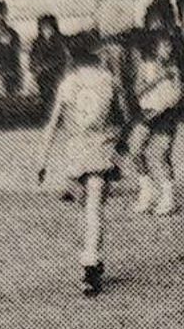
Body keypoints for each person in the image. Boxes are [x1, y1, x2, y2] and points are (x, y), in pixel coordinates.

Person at [34, 31, 125, 297]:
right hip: (100, 149)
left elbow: (52, 126)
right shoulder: (109, 81)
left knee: (86, 208)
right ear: (95, 54)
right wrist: (120, 147)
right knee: (95, 208)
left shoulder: (67, 84)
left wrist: (42, 160)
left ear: (71, 55)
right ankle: (91, 261)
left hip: (76, 152)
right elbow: (124, 116)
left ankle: (90, 259)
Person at [126, 28, 182, 216]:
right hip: (148, 112)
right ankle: (147, 191)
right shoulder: (146, 66)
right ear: (156, 48)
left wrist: (164, 107)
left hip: (166, 114)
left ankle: (169, 198)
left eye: (170, 47)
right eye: (165, 47)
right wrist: (157, 79)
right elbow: (138, 91)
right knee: (134, 149)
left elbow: (178, 95)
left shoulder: (174, 68)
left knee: (161, 154)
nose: (168, 50)